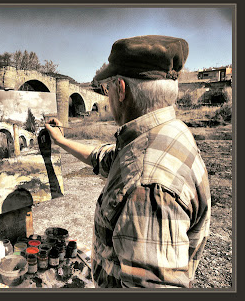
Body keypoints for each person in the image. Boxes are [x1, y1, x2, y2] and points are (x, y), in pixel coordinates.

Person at [45, 35, 211, 288]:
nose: (106, 95)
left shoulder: (147, 187)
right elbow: (108, 159)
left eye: (107, 88)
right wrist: (62, 141)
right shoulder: (168, 133)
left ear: (121, 89)